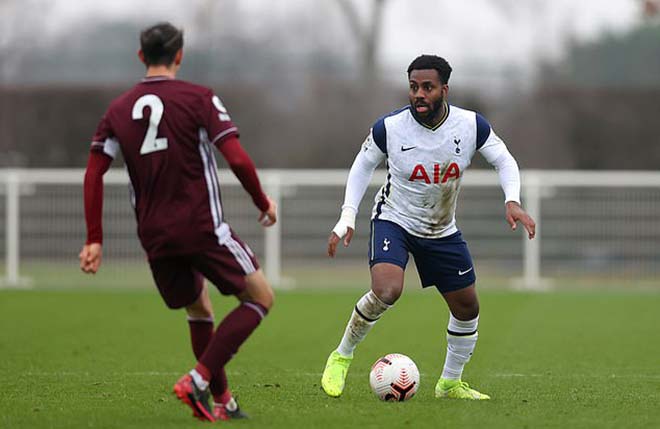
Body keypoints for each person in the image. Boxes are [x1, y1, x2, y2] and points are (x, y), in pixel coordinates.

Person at [79, 22, 276, 422]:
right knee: (260, 298)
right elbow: (236, 157)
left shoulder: (117, 110)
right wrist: (262, 201)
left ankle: (222, 402)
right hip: (202, 226)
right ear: (180, 55)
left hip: (154, 234)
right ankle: (199, 380)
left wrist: (95, 239)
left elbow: (93, 172)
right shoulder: (198, 98)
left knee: (199, 308)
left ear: (141, 57)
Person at [320, 55, 536, 400]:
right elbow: (362, 165)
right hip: (395, 220)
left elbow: (503, 159)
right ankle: (341, 356)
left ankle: (449, 383)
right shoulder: (389, 128)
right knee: (388, 291)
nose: (418, 94)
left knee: (468, 308)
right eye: (413, 87)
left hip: (441, 229)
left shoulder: (470, 126)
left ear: (444, 90)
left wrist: (512, 199)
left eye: (427, 87)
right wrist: (347, 216)